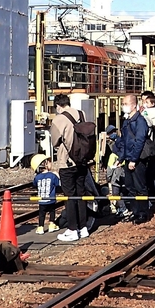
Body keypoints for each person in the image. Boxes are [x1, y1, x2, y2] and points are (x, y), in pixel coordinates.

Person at [49, 94, 90, 242]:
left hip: (67, 162)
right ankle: (83, 227)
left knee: (69, 196)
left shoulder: (58, 119)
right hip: (82, 161)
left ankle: (72, 229)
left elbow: (54, 141)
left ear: (58, 106)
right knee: (81, 194)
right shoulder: (81, 113)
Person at [119, 96, 152, 224]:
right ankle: (135, 211)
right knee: (130, 186)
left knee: (140, 187)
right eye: (123, 103)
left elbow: (139, 141)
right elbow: (124, 141)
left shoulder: (140, 121)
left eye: (126, 103)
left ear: (134, 105)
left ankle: (143, 213)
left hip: (137, 159)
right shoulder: (126, 121)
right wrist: (121, 157)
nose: (123, 106)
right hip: (128, 158)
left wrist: (133, 159)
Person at [31, 154, 60, 234]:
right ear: (46, 164)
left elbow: (34, 185)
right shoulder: (52, 176)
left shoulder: (37, 177)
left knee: (41, 214)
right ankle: (51, 224)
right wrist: (57, 175)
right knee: (52, 212)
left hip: (41, 200)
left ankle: (40, 227)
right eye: (49, 162)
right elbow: (58, 184)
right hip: (51, 199)